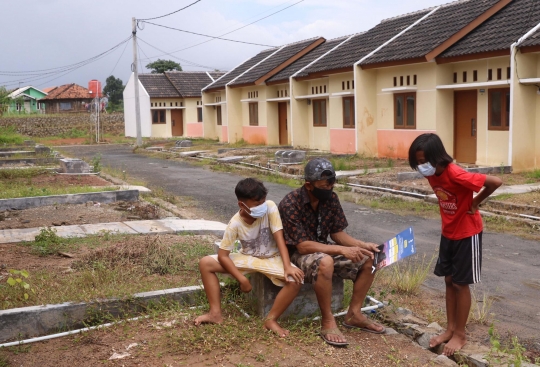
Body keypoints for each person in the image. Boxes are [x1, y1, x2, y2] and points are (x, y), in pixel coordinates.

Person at [408, 133, 502, 356]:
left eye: (424, 162)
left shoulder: (456, 173)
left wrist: (475, 203)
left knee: (461, 284)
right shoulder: (433, 175)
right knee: (449, 280)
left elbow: (495, 182)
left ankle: (460, 333)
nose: (421, 167)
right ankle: (450, 329)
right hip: (448, 232)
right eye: (418, 163)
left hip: (467, 233)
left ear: (437, 157)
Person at [278, 158, 385, 347]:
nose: (329, 187)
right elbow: (302, 246)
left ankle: (354, 314)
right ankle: (328, 321)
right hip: (296, 254)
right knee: (325, 261)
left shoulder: (331, 199)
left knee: (370, 258)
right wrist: (341, 250)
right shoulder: (290, 203)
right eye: (325, 185)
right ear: (309, 185)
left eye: (332, 182)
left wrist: (361, 244)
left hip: (324, 248)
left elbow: (337, 233)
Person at [194, 178, 304, 337]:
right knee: (205, 263)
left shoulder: (270, 208)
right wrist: (242, 279)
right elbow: (223, 255)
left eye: (263, 201)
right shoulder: (235, 224)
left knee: (296, 279)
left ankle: (271, 320)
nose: (262, 206)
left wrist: (287, 266)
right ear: (242, 205)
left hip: (273, 258)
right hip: (248, 258)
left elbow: (280, 238)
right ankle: (215, 313)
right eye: (257, 203)